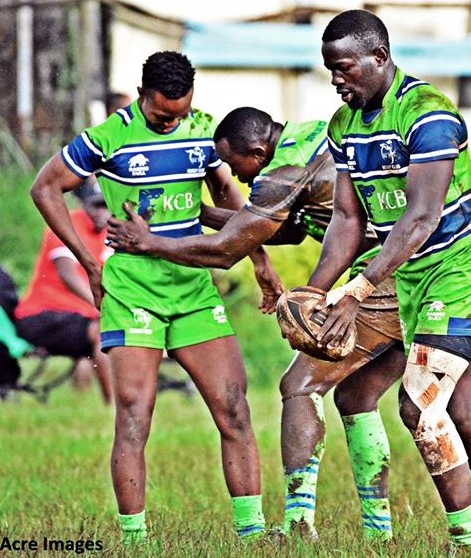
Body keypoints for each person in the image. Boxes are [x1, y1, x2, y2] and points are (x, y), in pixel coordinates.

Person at [306, 9, 471, 553]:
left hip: (461, 269)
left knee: (419, 404)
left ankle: (466, 542)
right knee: (461, 415)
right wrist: (315, 291)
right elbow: (348, 221)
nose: (337, 79)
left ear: (379, 58)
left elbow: (421, 217)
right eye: (330, 69)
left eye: (346, 67)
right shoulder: (342, 127)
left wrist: (356, 292)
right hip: (411, 274)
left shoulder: (428, 115)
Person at [106, 106, 405, 543]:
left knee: (299, 386)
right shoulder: (308, 136)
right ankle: (385, 535)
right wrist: (200, 212)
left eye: (234, 165)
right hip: (422, 265)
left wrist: (149, 242)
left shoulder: (280, 173)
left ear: (258, 151)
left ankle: (299, 527)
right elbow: (283, 229)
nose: (235, 176)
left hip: (390, 274)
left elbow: (227, 251)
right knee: (362, 396)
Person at [29, 51, 276, 545]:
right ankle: (135, 540)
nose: (174, 123)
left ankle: (253, 535)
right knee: (135, 415)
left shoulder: (204, 131)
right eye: (164, 115)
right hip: (134, 290)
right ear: (144, 96)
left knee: (234, 408)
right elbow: (46, 188)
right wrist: (90, 262)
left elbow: (229, 200)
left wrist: (261, 261)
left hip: (192, 285)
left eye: (181, 113)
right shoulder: (108, 137)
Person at [15, 182, 113, 403]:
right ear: (84, 203)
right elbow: (67, 275)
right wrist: (104, 305)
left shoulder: (108, 234)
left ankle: (116, 400)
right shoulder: (66, 225)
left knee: (111, 328)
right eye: (97, 205)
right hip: (41, 316)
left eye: (107, 206)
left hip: (79, 318)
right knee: (102, 331)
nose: (103, 212)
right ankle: (114, 406)